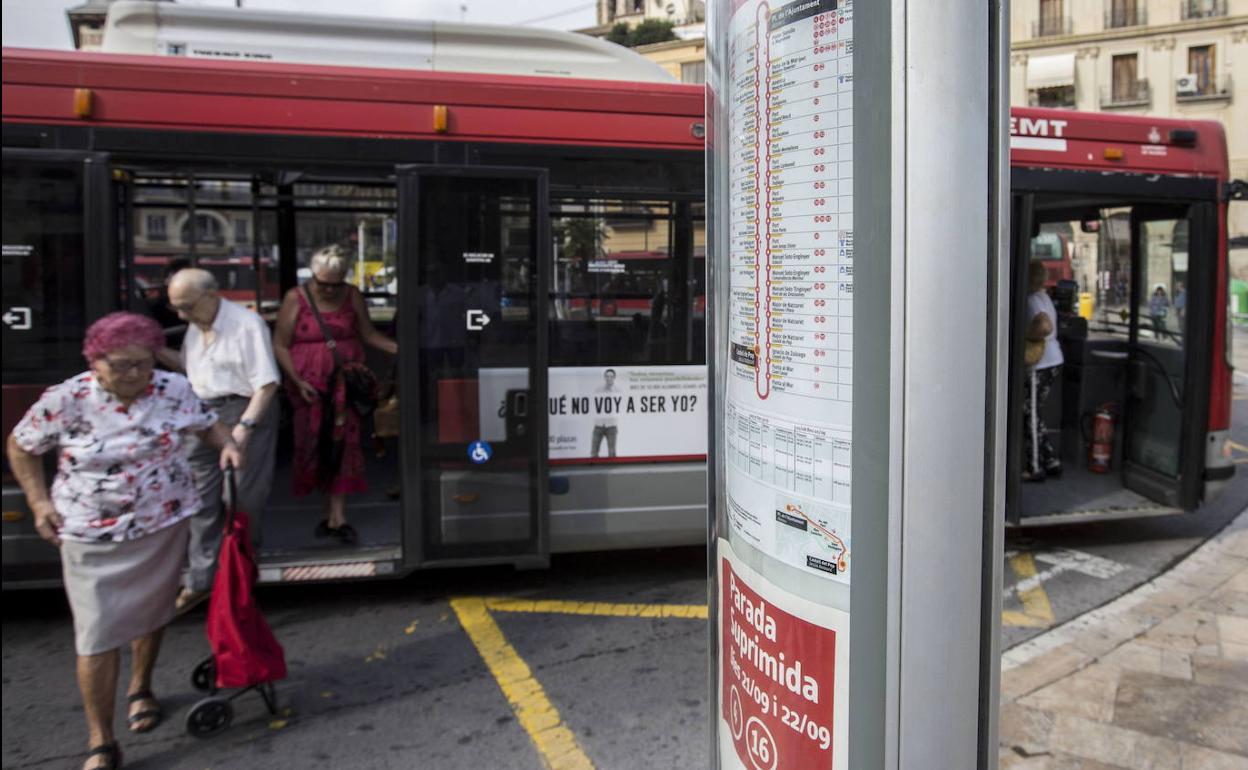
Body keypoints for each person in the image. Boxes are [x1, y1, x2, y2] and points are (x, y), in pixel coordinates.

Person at [6, 312, 242, 770]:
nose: (135, 374)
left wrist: (227, 445)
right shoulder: (66, 399)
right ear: (95, 361)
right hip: (90, 531)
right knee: (96, 635)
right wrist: (38, 503)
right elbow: (20, 445)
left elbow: (206, 423)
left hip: (163, 523)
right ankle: (102, 741)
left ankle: (142, 687)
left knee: (152, 613)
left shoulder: (171, 388)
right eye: (121, 365)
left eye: (143, 364)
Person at [166, 268, 280, 613]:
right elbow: (189, 368)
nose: (182, 315)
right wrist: (155, 351)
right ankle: (202, 580)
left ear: (212, 295)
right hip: (203, 412)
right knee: (200, 497)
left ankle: (242, 574)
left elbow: (267, 384)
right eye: (177, 309)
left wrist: (244, 428)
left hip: (244, 409)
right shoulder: (196, 323)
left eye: (187, 307)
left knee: (241, 497)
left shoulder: (246, 324)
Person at [273, 245, 397, 544]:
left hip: (345, 384)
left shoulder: (352, 295)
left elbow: (367, 333)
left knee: (345, 444)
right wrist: (296, 379)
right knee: (314, 445)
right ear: (313, 277)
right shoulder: (295, 297)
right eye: (322, 283)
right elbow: (280, 343)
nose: (329, 289)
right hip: (308, 387)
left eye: (335, 283)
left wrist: (400, 349)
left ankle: (338, 516)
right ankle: (327, 509)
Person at [1023, 262, 1064, 482]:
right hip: (1052, 360)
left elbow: (1044, 326)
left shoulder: (1031, 300)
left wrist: (1025, 336)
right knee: (1033, 412)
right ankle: (1050, 459)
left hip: (1039, 363)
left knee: (1031, 414)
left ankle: (1035, 467)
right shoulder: (1043, 297)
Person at [591, 368, 619, 459]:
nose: (609, 378)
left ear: (614, 377)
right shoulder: (597, 390)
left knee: (612, 452)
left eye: (611, 376)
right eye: (607, 376)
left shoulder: (618, 391)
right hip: (598, 425)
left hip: (611, 425)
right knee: (593, 452)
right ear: (604, 377)